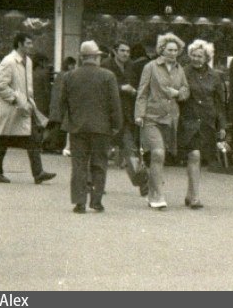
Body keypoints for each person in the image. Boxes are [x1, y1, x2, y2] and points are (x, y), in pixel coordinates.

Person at [58, 40, 123, 213]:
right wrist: (117, 125)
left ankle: (79, 202)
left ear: (82, 58)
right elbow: (115, 104)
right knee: (99, 164)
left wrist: (67, 122)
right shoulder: (108, 76)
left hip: (77, 128)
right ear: (95, 57)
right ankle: (96, 201)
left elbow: (62, 102)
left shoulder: (69, 76)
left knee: (79, 164)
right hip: (102, 128)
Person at [0, 33, 56, 186]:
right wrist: (14, 99)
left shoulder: (28, 61)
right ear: (19, 44)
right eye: (28, 43)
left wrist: (29, 102)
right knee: (2, 139)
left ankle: (38, 173)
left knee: (31, 139)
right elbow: (1, 86)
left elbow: (27, 86)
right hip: (10, 109)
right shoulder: (8, 61)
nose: (31, 46)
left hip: (23, 108)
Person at [135, 32, 189, 210]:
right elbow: (142, 92)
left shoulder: (180, 69)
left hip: (171, 118)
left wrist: (178, 94)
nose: (173, 53)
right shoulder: (150, 67)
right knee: (158, 153)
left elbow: (186, 91)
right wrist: (139, 114)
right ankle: (158, 196)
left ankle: (151, 194)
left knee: (159, 157)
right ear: (161, 50)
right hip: (151, 117)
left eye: (176, 50)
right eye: (169, 49)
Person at [178, 39, 226, 208]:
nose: (196, 58)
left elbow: (220, 102)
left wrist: (222, 126)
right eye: (193, 55)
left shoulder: (215, 76)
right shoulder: (183, 72)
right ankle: (196, 197)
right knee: (194, 155)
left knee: (197, 158)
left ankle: (190, 193)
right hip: (188, 120)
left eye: (200, 56)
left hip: (207, 121)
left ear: (207, 57)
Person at [103, 40, 148, 194]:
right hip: (108, 115)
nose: (126, 54)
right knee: (101, 151)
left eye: (128, 51)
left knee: (130, 150)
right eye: (122, 51)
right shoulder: (105, 65)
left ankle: (141, 182)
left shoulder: (131, 67)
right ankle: (94, 183)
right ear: (115, 51)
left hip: (126, 115)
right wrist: (122, 88)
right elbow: (102, 86)